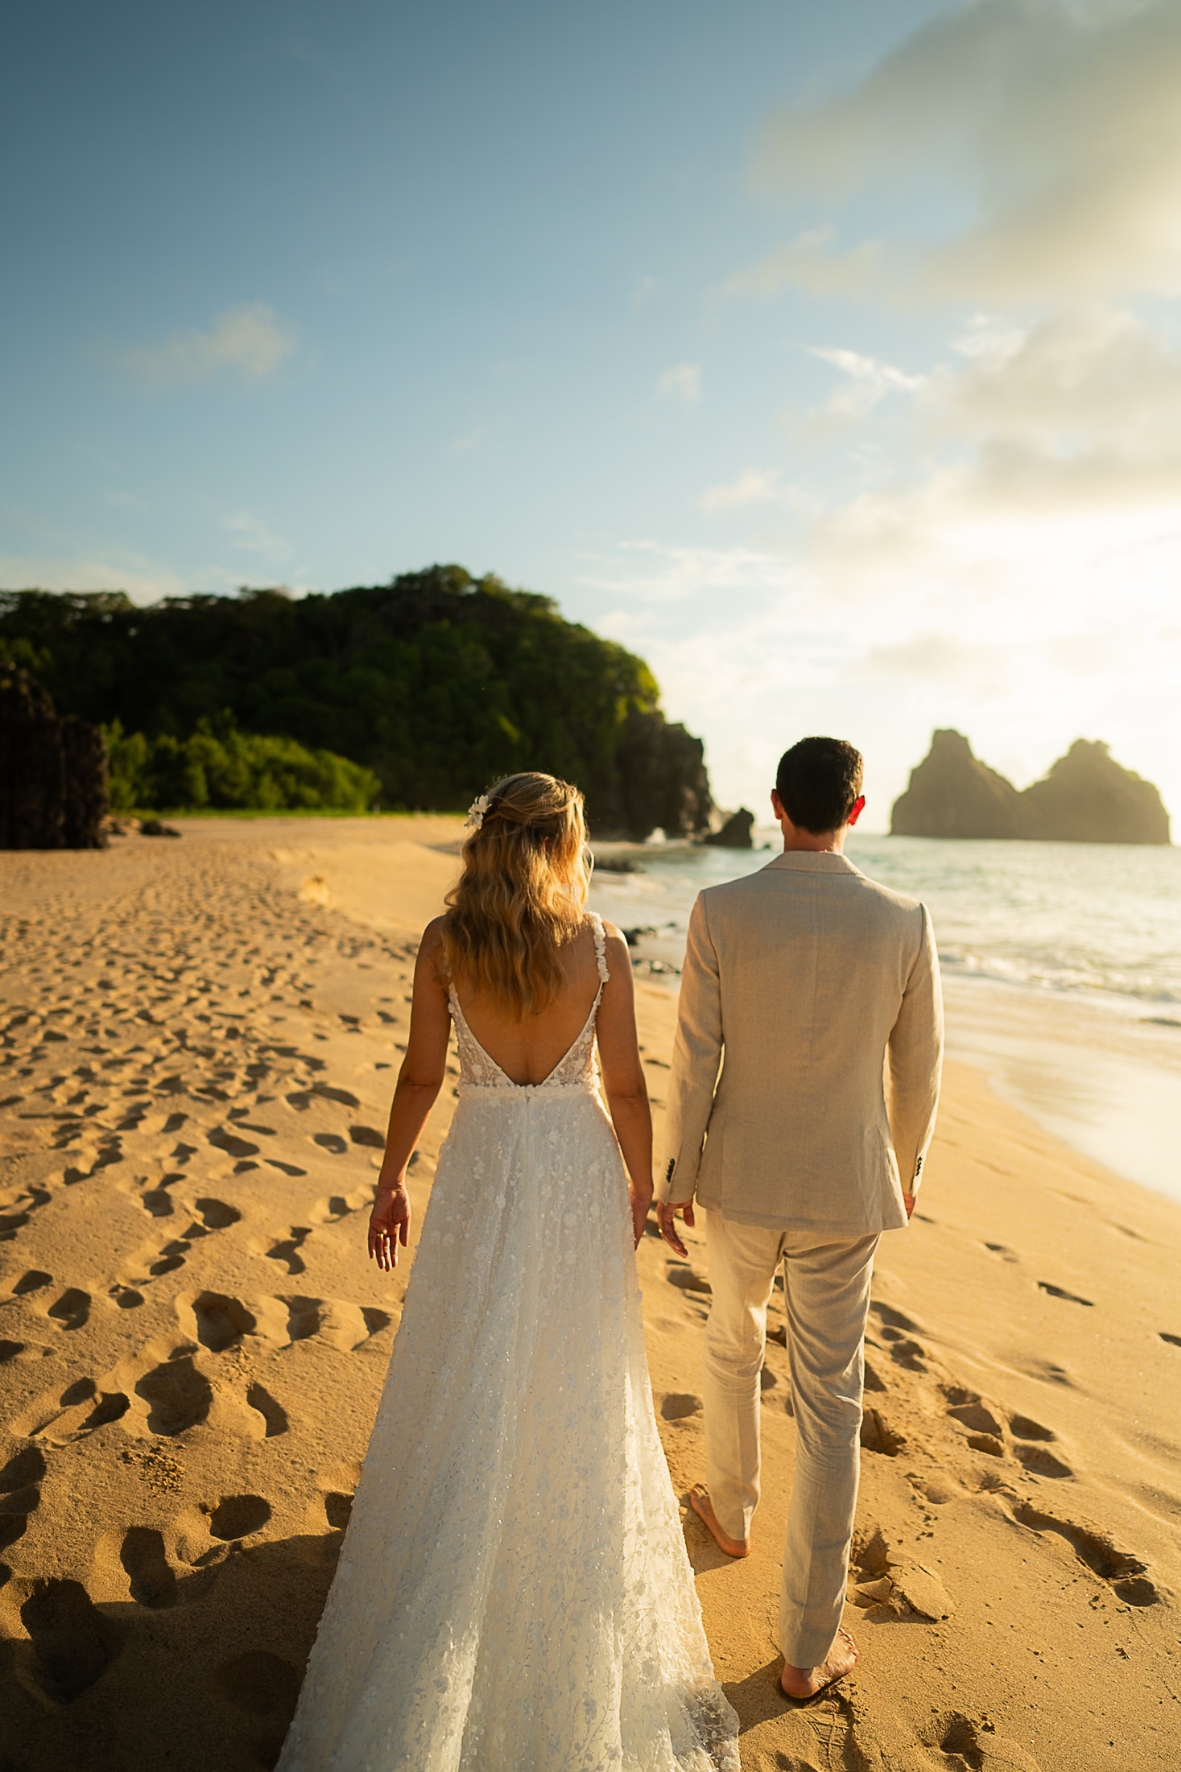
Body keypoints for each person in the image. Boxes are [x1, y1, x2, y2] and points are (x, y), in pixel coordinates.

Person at [278, 772, 739, 1772]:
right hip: (573, 1166)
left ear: (488, 838)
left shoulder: (446, 943)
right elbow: (622, 1083)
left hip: (483, 1163)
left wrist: (390, 1176)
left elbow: (417, 1071)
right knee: (574, 1368)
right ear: (562, 841)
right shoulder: (601, 944)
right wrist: (643, 1186)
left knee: (467, 1350)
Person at [656, 737, 943, 1705]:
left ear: (775, 804)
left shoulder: (719, 907)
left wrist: (675, 1171)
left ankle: (729, 1512)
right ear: (856, 810)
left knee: (730, 1343)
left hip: (740, 1173)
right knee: (830, 1403)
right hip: (844, 1185)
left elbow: (693, 1053)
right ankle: (804, 1644)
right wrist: (902, 1169)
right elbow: (919, 1066)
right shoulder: (901, 916)